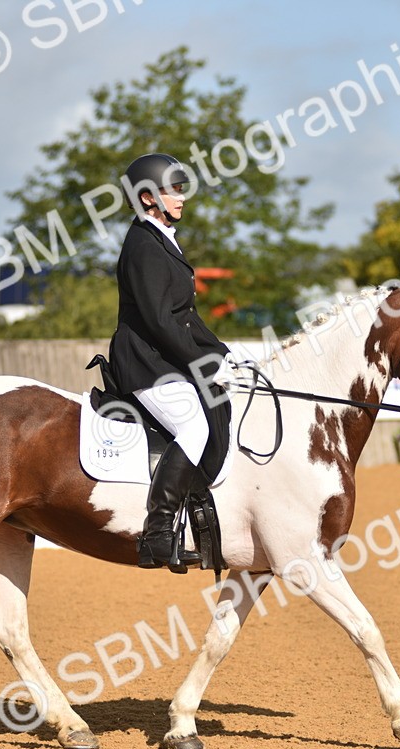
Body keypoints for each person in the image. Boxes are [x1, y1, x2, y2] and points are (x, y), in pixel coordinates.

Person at [108, 153, 236, 571]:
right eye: (173, 189)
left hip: (163, 357)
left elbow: (186, 317)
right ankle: (158, 533)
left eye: (181, 188)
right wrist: (204, 363)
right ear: (148, 197)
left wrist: (222, 353)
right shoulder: (144, 246)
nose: (181, 197)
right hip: (144, 360)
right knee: (193, 426)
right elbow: (160, 321)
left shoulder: (163, 238)